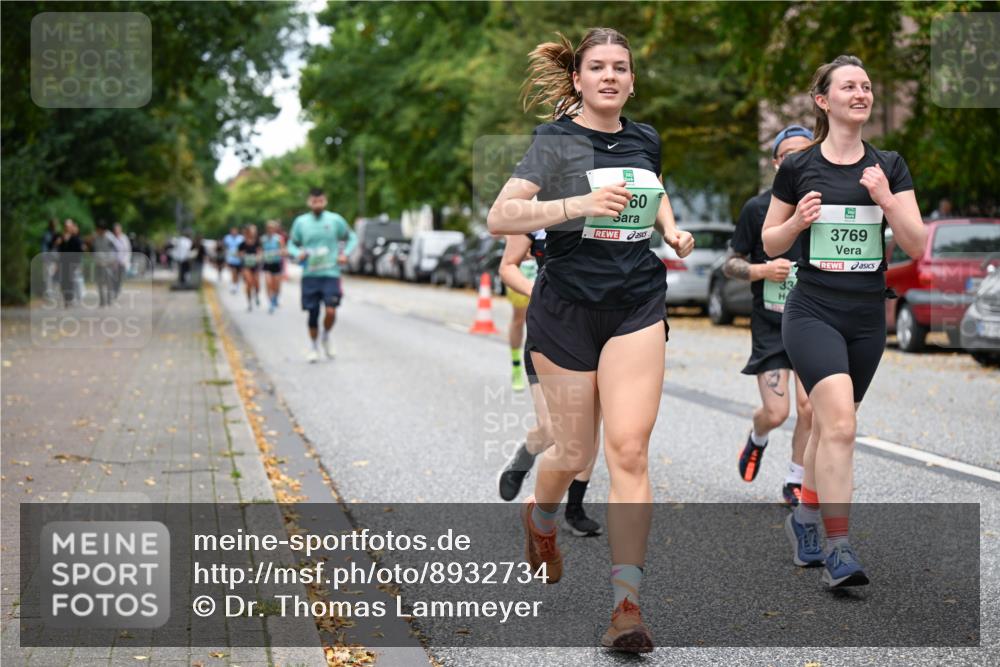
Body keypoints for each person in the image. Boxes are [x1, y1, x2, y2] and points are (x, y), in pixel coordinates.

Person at [487, 28, 694, 653]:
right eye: (597, 67)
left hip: (635, 303)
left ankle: (626, 609)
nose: (610, 76)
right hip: (566, 309)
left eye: (621, 68)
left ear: (632, 80)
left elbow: (650, 200)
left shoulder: (646, 138)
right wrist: (577, 203)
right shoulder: (555, 142)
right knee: (573, 455)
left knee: (628, 452)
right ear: (577, 79)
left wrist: (673, 232)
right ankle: (541, 516)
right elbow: (501, 216)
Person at [762, 55, 926, 589]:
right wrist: (796, 221)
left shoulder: (889, 165)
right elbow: (769, 242)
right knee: (840, 426)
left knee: (832, 427)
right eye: (848, 86)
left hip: (865, 317)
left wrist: (883, 198)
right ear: (823, 100)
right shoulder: (799, 166)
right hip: (812, 311)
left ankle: (804, 518)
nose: (861, 93)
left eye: (867, 86)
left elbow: (917, 243)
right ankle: (838, 547)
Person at [724, 125, 815, 507]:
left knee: (810, 407)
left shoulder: (822, 205)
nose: (795, 159)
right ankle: (758, 436)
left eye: (803, 152)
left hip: (812, 321)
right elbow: (730, 264)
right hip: (771, 324)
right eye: (787, 154)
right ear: (776, 163)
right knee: (777, 412)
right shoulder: (758, 208)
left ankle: (795, 480)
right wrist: (762, 271)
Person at [497, 231, 602, 537]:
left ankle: (575, 509)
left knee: (589, 428)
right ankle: (525, 457)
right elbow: (508, 266)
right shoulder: (536, 212)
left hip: (596, 331)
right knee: (555, 428)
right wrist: (540, 291)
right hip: (549, 334)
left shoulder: (605, 206)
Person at [287, 187, 358, 363]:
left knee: (331, 310)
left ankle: (326, 336)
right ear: (309, 202)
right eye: (314, 201)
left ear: (325, 201)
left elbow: (352, 238)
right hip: (310, 275)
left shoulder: (335, 220)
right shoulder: (301, 222)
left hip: (331, 273)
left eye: (320, 200)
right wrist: (297, 253)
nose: (317, 204)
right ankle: (313, 346)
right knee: (313, 314)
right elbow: (291, 244)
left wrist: (345, 254)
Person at [55, 219, 84, 308]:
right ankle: (66, 299)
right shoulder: (61, 237)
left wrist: (78, 263)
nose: (67, 228)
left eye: (69, 226)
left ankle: (70, 299)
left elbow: (80, 251)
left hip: (73, 263)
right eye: (66, 226)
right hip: (63, 262)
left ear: (71, 227)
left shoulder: (76, 238)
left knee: (71, 281)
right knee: (63, 281)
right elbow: (58, 250)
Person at [261, 220, 286, 314]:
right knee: (268, 283)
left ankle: (275, 298)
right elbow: (260, 250)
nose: (270, 230)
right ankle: (270, 303)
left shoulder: (279, 239)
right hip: (267, 264)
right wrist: (261, 255)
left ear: (275, 229)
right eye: (269, 228)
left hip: (276, 263)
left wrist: (279, 252)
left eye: (272, 228)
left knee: (276, 285)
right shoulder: (263, 239)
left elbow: (283, 250)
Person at [91, 221, 118, 307]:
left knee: (108, 282)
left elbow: (115, 250)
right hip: (99, 262)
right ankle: (102, 300)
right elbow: (94, 249)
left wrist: (113, 261)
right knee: (99, 282)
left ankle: (109, 299)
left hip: (108, 263)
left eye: (99, 229)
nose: (98, 231)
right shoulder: (96, 237)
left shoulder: (110, 237)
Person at [239, 224, 262, 311]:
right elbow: (239, 254)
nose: (253, 232)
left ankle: (256, 295)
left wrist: (258, 257)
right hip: (246, 265)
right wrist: (243, 256)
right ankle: (249, 302)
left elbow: (260, 252)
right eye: (252, 230)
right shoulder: (243, 243)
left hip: (255, 265)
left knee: (256, 284)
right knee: (249, 283)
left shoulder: (257, 242)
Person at [110, 223, 132, 298]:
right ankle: (114, 290)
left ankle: (117, 290)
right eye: (115, 229)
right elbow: (111, 251)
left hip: (122, 262)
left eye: (118, 229)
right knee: (113, 277)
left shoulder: (124, 238)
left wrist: (125, 261)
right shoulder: (112, 238)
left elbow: (127, 250)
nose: (116, 231)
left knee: (119, 278)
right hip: (113, 262)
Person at [222, 226, 244, 294]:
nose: (234, 232)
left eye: (235, 231)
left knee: (238, 274)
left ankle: (236, 284)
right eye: (232, 231)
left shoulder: (241, 238)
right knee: (233, 271)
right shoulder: (227, 238)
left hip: (239, 259)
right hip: (231, 258)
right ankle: (233, 285)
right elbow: (224, 247)